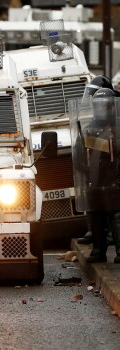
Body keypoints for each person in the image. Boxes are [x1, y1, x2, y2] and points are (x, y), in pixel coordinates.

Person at [72, 88, 120, 263]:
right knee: (96, 217)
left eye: (104, 107)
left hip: (113, 181)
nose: (100, 110)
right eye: (97, 107)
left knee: (115, 216)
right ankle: (98, 251)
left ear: (111, 108)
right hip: (94, 182)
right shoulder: (87, 130)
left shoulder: (117, 129)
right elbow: (78, 157)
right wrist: (86, 172)